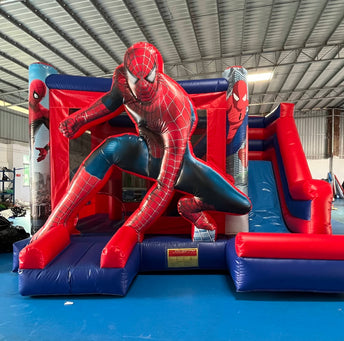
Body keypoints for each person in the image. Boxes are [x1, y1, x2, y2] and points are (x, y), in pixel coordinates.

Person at [25, 42, 251, 268]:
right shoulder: (121, 80)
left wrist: (131, 228)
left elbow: (164, 185)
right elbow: (109, 102)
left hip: (182, 166)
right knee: (111, 147)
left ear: (157, 73)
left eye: (148, 78)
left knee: (241, 204)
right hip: (144, 153)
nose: (142, 86)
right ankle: (57, 219)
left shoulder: (174, 106)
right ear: (128, 75)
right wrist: (79, 119)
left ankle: (191, 207)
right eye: (136, 79)